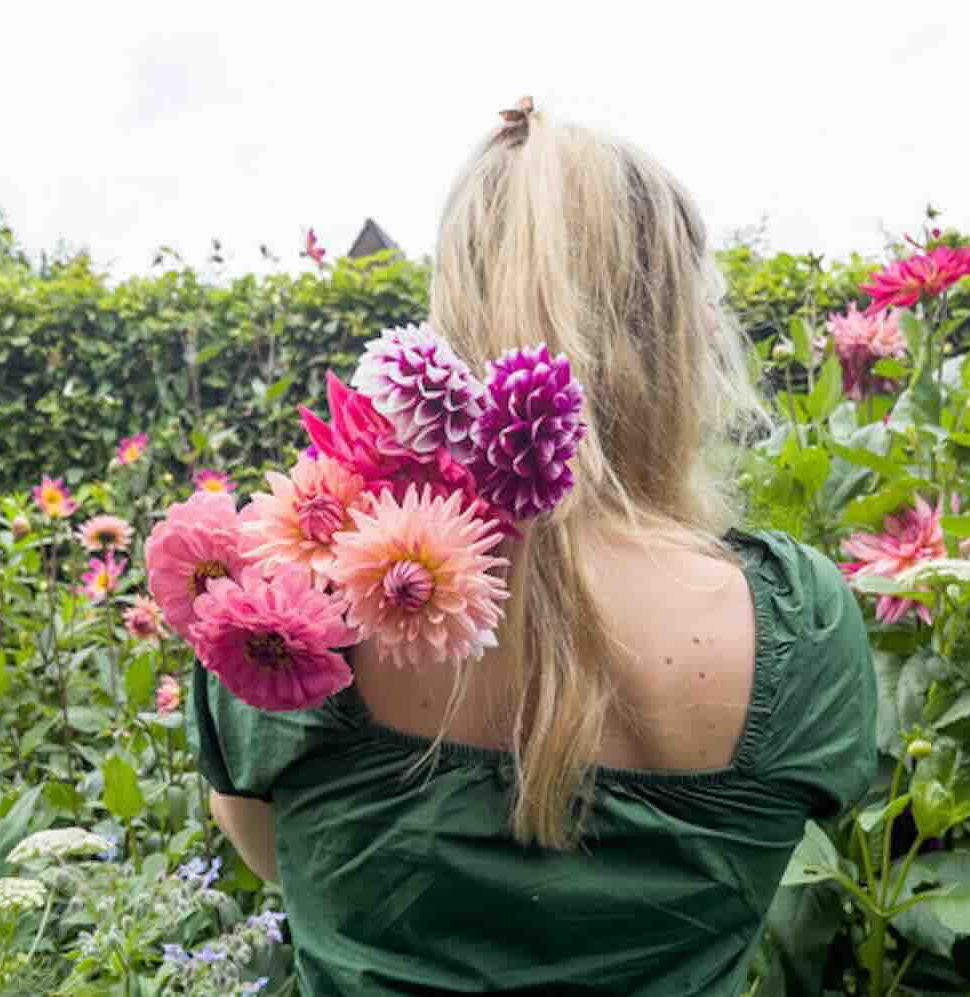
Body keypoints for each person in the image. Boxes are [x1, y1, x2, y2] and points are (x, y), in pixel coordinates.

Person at [191, 98, 877, 996]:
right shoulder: (799, 622)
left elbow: (276, 855)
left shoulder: (297, 600)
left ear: (449, 318)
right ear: (680, 334)